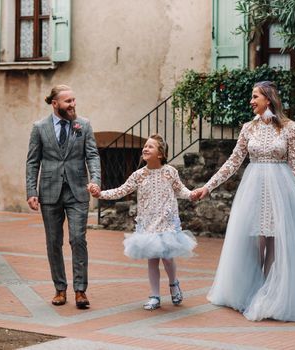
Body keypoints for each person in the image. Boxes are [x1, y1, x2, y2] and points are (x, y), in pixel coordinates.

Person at [193, 81, 295, 322]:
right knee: (256, 241)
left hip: (281, 189)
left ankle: (272, 293)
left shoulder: (289, 128)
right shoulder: (247, 128)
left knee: (275, 240)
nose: (251, 101)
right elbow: (232, 163)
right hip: (253, 189)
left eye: (255, 96)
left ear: (268, 98)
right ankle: (254, 290)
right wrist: (208, 186)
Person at [90, 134, 197, 310]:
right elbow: (121, 190)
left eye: (150, 146)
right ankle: (154, 295)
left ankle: (173, 283)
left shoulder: (170, 172)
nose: (145, 149)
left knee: (168, 258)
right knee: (152, 259)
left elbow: (181, 190)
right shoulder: (139, 175)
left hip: (167, 221)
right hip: (148, 223)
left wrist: (191, 194)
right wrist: (100, 194)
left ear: (161, 154)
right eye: (145, 146)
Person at [26, 85, 101, 309]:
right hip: (49, 192)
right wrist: (31, 191)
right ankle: (60, 289)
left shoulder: (83, 125)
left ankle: (80, 291)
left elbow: (93, 156)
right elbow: (32, 162)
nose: (73, 105)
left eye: (74, 100)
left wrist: (95, 180)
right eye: (68, 101)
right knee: (53, 242)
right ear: (55, 103)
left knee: (78, 239)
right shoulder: (39, 128)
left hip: (78, 191)